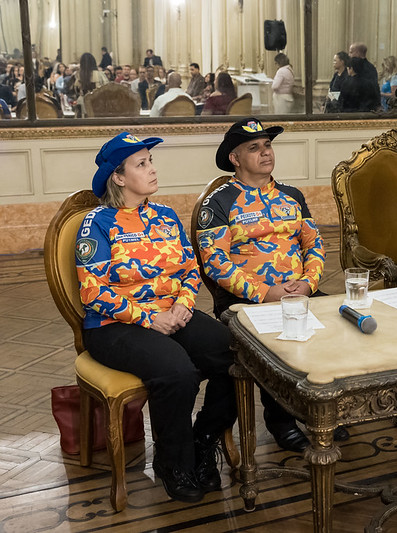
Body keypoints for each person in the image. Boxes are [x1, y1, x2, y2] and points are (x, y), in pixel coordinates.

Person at [76, 132, 237, 503]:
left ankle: (203, 440)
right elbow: (93, 292)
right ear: (118, 177)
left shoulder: (164, 215)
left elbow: (189, 268)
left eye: (151, 161)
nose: (152, 169)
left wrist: (183, 301)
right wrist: (151, 319)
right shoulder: (97, 223)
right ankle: (173, 461)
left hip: (171, 313)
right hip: (113, 326)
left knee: (235, 354)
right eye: (142, 164)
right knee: (177, 372)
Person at [196, 117, 349, 451]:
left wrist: (309, 282)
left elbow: (314, 245)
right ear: (235, 159)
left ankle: (320, 411)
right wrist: (266, 293)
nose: (265, 153)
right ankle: (280, 419)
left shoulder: (291, 196)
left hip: (299, 292)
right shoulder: (220, 202)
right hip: (247, 300)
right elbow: (215, 263)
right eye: (254, 148)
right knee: (272, 347)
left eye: (267, 145)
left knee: (339, 326)